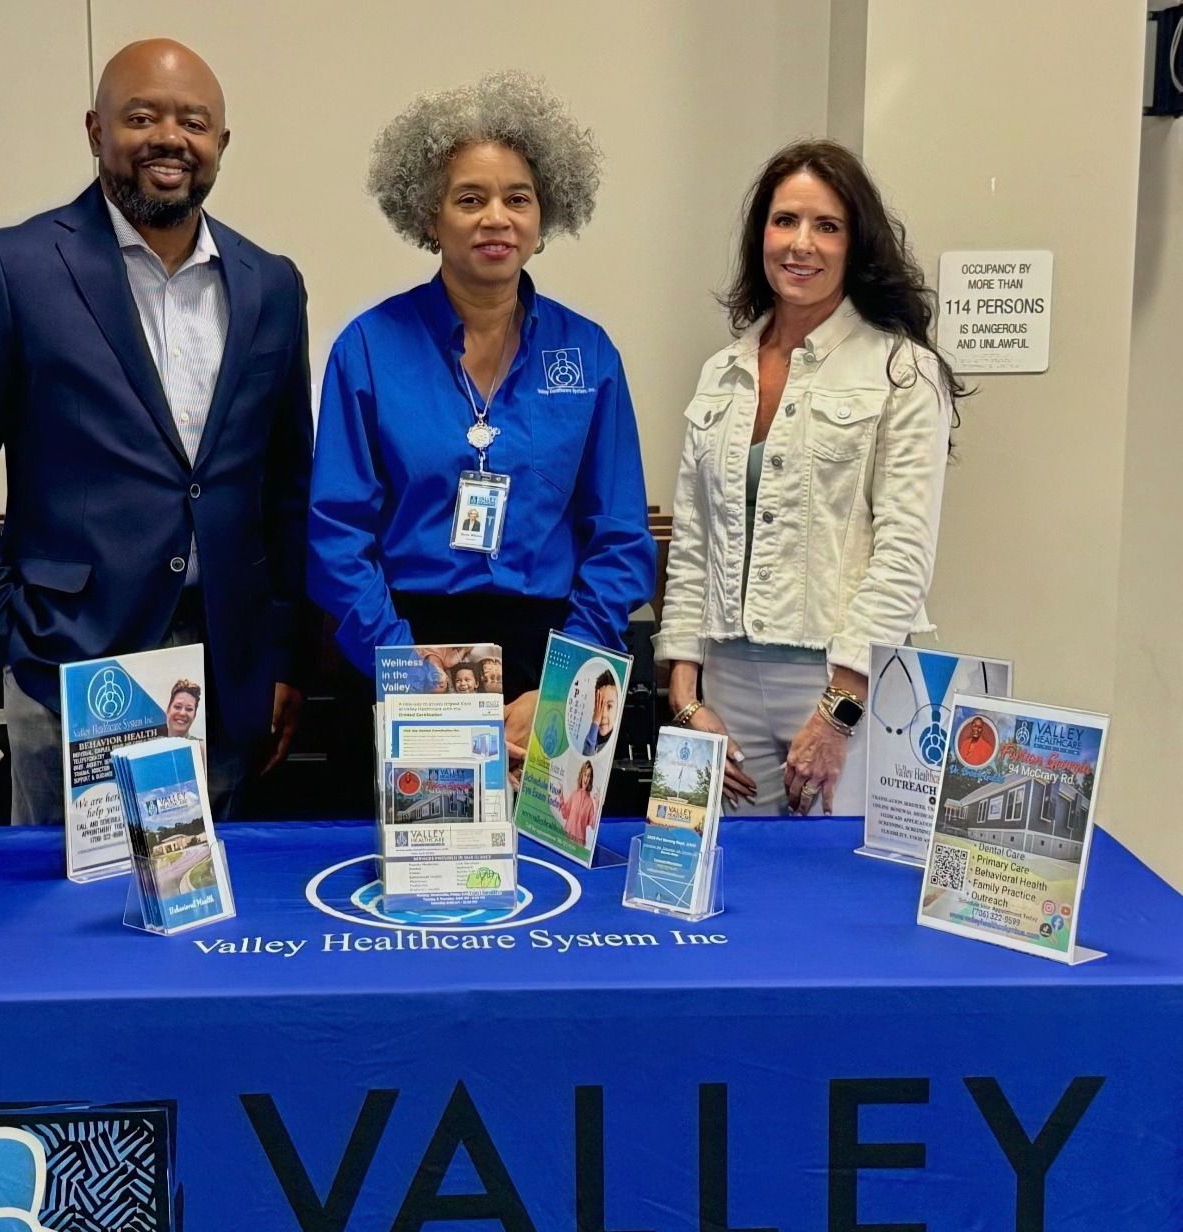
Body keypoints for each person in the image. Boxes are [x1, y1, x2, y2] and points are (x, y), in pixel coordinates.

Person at [0, 39, 312, 823]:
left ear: (220, 144)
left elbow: (289, 479)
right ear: (96, 132)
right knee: (66, 926)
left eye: (193, 122)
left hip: (224, 670)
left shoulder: (272, 284)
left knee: (207, 916)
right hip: (69, 659)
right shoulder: (12, 267)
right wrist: (3, 632)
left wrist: (282, 654)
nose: (169, 138)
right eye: (141, 117)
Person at [308, 73, 656, 784]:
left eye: (516, 199)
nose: (495, 217)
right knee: (408, 886)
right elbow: (337, 536)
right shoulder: (369, 349)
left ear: (542, 216)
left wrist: (564, 686)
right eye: (470, 199)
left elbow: (620, 539)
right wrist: (413, 676)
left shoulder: (589, 355)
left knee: (550, 888)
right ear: (428, 217)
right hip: (398, 648)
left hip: (550, 658)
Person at [655, 140, 962, 817]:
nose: (801, 244)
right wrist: (684, 693)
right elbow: (695, 538)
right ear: (759, 233)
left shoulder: (902, 372)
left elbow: (903, 553)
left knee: (830, 895)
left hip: (835, 679)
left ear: (858, 245)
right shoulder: (722, 373)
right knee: (721, 886)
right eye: (784, 220)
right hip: (723, 680)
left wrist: (839, 710)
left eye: (827, 227)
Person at [553, 759, 599, 848]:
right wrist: (561, 797)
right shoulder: (574, 794)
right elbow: (565, 814)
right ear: (581, 775)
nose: (586, 779)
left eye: (588, 776)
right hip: (567, 837)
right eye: (585, 775)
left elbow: (593, 825)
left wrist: (597, 806)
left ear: (590, 779)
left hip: (579, 844)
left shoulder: (590, 803)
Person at [581, 670, 618, 755]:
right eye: (600, 705)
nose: (603, 714)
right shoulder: (592, 738)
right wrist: (595, 722)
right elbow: (587, 755)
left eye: (609, 706)